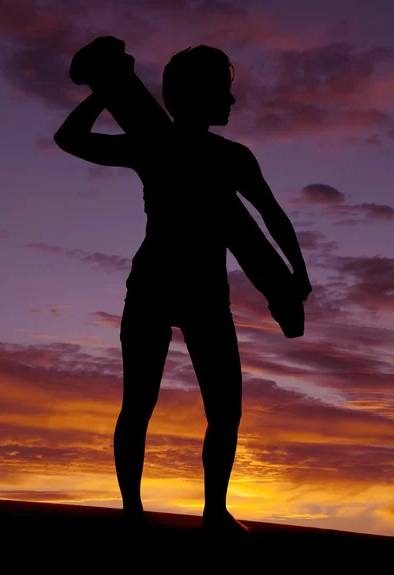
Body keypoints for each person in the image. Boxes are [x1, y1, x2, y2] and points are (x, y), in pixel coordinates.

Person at [54, 42, 312, 535]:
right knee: (140, 403)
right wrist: (107, 88)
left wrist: (298, 271)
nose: (233, 103)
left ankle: (214, 510)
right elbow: (70, 138)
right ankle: (133, 512)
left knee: (224, 408)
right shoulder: (153, 142)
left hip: (204, 291)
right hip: (155, 284)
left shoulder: (230, 156)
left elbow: (270, 213)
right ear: (196, 95)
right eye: (225, 93)